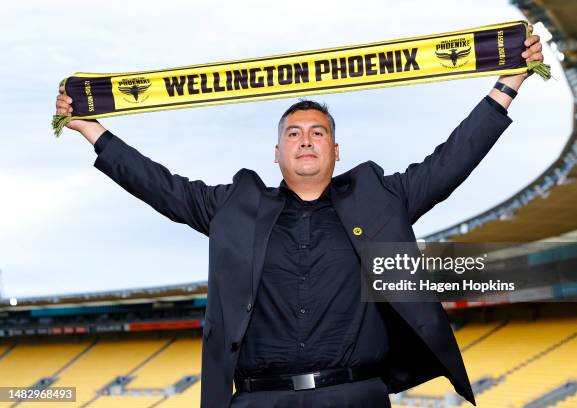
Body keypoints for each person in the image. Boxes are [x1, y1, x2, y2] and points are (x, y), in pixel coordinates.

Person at [55, 28, 543, 408]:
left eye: (317, 132)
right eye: (293, 133)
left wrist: (508, 84)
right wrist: (93, 131)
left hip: (357, 396)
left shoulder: (381, 197)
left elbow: (450, 160)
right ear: (276, 152)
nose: (305, 140)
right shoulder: (233, 208)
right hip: (257, 398)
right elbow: (162, 186)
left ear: (335, 150)